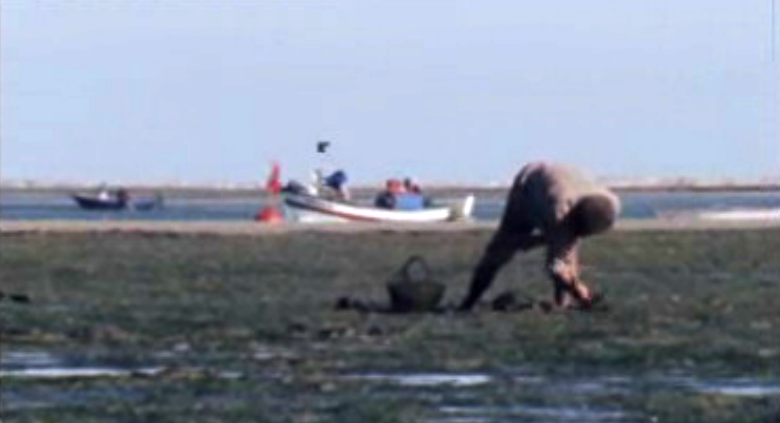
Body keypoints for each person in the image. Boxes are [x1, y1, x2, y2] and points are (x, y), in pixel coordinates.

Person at [458, 162, 621, 311]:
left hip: (560, 185)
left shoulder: (611, 203)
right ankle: (469, 302)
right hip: (528, 187)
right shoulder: (559, 211)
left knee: (564, 250)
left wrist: (562, 249)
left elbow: (565, 248)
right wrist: (578, 290)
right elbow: (556, 267)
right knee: (501, 249)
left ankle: (562, 303)